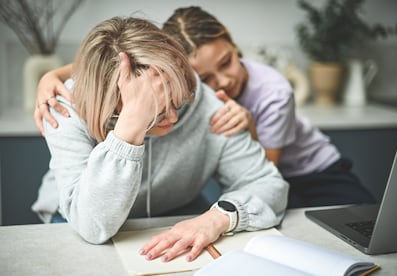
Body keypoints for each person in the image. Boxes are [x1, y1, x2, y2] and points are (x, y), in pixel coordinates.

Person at [34, 7, 376, 208]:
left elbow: (264, 173)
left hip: (313, 168)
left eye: (227, 63)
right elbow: (108, 61)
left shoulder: (270, 91)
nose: (223, 83)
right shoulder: (83, 102)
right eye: (204, 78)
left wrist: (248, 126)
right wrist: (55, 73)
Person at [31, 16, 289, 263]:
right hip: (74, 217)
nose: (173, 118)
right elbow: (92, 226)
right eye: (157, 111)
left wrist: (217, 218)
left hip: (172, 213)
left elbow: (268, 184)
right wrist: (131, 127)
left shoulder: (212, 108)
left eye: (178, 100)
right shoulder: (62, 106)